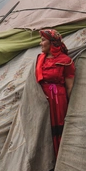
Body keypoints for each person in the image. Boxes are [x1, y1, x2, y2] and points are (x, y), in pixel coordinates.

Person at [36, 29, 75, 158]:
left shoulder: (65, 60)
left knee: (58, 129)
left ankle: (58, 160)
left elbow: (69, 87)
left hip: (58, 99)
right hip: (42, 99)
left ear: (52, 42)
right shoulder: (40, 59)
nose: (40, 44)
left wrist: (70, 107)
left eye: (43, 40)